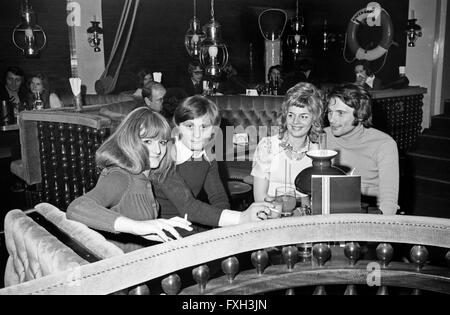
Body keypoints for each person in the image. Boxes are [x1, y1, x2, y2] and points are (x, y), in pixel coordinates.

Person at [67, 107, 193, 252]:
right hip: (122, 268)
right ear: (130, 141)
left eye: (162, 142)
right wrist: (136, 226)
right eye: (147, 142)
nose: (158, 150)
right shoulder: (120, 176)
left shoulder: (145, 175)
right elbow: (77, 207)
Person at [156, 95, 229, 233]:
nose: (197, 134)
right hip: (162, 228)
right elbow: (188, 206)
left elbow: (218, 198)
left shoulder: (207, 155)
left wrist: (223, 231)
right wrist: (240, 218)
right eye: (190, 126)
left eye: (204, 126)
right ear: (177, 126)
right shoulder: (165, 155)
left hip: (190, 223)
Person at [324, 83, 399, 214]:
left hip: (368, 214)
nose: (332, 119)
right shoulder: (323, 136)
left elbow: (388, 203)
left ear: (360, 115)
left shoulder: (384, 144)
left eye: (340, 113)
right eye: (330, 112)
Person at [251, 82, 323, 203]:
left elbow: (318, 201)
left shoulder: (318, 152)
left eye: (303, 116)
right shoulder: (267, 146)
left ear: (314, 119)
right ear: (285, 116)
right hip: (270, 215)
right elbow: (259, 199)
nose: (295, 121)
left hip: (304, 218)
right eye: (291, 115)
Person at [99, 82, 166, 123]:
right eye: (159, 100)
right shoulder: (142, 117)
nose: (163, 101)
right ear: (148, 101)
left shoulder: (159, 110)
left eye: (164, 98)